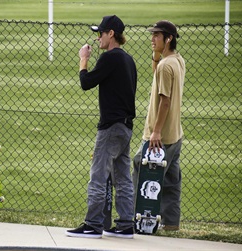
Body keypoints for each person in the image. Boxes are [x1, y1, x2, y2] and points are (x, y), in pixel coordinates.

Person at [66, 15, 137, 239]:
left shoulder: (110, 58)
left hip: (110, 127)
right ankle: (126, 224)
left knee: (98, 175)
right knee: (123, 177)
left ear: (111, 34)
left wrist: (83, 59)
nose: (98, 38)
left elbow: (86, 83)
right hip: (126, 127)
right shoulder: (128, 60)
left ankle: (93, 225)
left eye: (100, 33)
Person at [132, 20, 185, 231]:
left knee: (140, 169)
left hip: (160, 137)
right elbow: (158, 75)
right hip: (175, 134)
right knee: (172, 181)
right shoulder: (177, 61)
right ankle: (171, 224)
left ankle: (137, 220)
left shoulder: (165, 66)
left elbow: (164, 101)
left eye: (157, 35)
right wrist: (156, 55)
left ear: (168, 38)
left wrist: (155, 131)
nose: (152, 38)